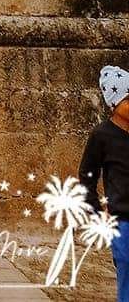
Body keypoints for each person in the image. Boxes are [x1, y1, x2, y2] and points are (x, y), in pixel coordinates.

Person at [78, 64, 129, 299]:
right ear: (114, 104)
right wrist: (97, 213)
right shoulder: (102, 136)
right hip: (122, 220)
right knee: (127, 273)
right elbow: (87, 177)